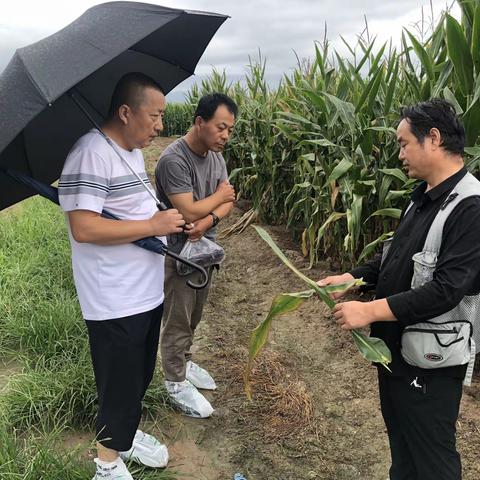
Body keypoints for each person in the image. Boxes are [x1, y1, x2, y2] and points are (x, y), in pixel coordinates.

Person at [317, 99, 480, 480]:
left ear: (434, 139)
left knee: (432, 458)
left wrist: (369, 311)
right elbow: (396, 260)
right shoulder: (422, 198)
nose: (399, 153)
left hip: (431, 363)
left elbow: (446, 290)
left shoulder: (470, 207)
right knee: (403, 450)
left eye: (404, 143)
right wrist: (353, 279)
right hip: (396, 353)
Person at [59, 72, 186, 480]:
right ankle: (107, 465)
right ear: (126, 112)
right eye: (155, 116)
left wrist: (159, 223)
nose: (160, 127)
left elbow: (130, 213)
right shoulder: (90, 152)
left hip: (144, 291)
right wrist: (152, 226)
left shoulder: (128, 150)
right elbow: (85, 227)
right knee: (118, 382)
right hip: (114, 297)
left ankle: (123, 438)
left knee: (138, 375)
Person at [155, 93, 237, 418]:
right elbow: (187, 208)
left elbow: (228, 203)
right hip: (179, 255)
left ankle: (186, 363)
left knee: (194, 316)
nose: (225, 136)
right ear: (200, 122)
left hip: (204, 251)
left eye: (230, 129)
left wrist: (208, 220)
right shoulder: (174, 159)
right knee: (177, 320)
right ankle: (174, 381)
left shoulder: (215, 157)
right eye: (221, 127)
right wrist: (215, 199)